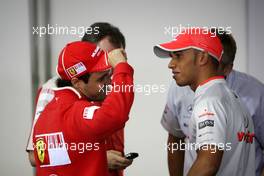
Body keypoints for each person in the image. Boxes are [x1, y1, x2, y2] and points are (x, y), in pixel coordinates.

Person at [26, 22, 133, 176]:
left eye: (113, 59)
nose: (109, 68)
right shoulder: (51, 93)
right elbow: (36, 157)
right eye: (102, 59)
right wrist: (95, 156)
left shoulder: (107, 85)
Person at [158, 29, 264, 176]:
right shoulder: (232, 98)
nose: (171, 64)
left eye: (178, 56)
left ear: (202, 58)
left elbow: (207, 165)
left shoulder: (209, 102)